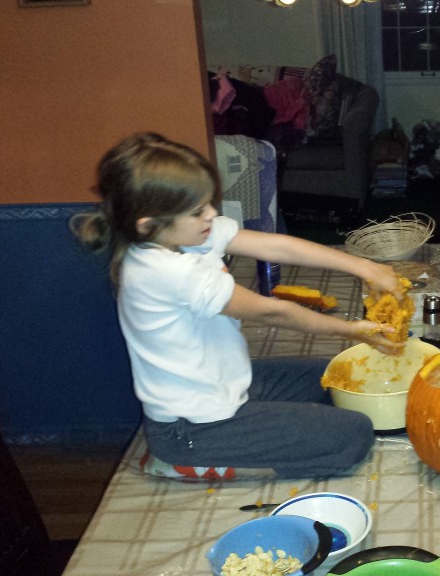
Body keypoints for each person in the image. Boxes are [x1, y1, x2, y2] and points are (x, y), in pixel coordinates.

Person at [71, 132, 405, 478]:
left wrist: (365, 267)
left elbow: (276, 247)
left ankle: (253, 430)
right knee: (353, 434)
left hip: (229, 385)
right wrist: (352, 331)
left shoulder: (179, 235)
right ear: (149, 224)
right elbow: (271, 310)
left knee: (339, 377)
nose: (212, 214)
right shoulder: (165, 271)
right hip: (192, 427)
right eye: (199, 210)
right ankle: (188, 463)